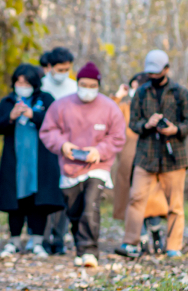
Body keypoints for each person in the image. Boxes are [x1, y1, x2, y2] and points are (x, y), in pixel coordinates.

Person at [38, 61, 126, 268]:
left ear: (98, 85)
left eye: (92, 85)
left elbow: (117, 137)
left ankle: (90, 251)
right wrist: (63, 145)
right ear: (77, 84)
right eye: (83, 84)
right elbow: (47, 131)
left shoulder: (110, 107)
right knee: (74, 210)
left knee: (90, 204)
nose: (87, 89)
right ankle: (80, 247)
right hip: (70, 167)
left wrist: (99, 151)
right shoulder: (61, 105)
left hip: (98, 166)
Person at [115, 50, 188, 260]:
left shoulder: (181, 93)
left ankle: (173, 247)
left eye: (157, 72)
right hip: (145, 156)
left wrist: (175, 130)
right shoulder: (141, 93)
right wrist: (147, 124)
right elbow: (133, 124)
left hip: (174, 157)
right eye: (150, 72)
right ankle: (130, 243)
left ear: (166, 69)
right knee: (135, 199)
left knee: (175, 205)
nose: (153, 76)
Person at [0, 64, 63, 256]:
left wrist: (34, 115)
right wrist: (10, 117)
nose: (21, 85)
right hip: (15, 161)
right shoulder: (8, 102)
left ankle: (38, 242)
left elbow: (57, 122)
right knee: (15, 201)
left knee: (37, 200)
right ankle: (14, 241)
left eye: (26, 82)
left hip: (39, 161)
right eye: (18, 81)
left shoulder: (45, 99)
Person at [112, 74, 171, 253]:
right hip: (128, 162)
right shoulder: (124, 108)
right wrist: (118, 95)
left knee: (152, 201)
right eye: (132, 86)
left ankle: (155, 235)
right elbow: (105, 112)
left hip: (151, 159)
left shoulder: (155, 107)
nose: (135, 90)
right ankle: (142, 240)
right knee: (134, 201)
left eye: (139, 86)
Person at [38, 47, 76, 254]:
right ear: (50, 67)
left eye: (67, 69)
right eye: (60, 69)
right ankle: (43, 239)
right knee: (45, 193)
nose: (64, 73)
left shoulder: (74, 87)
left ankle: (59, 238)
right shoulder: (41, 87)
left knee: (65, 193)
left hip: (68, 148)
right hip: (45, 146)